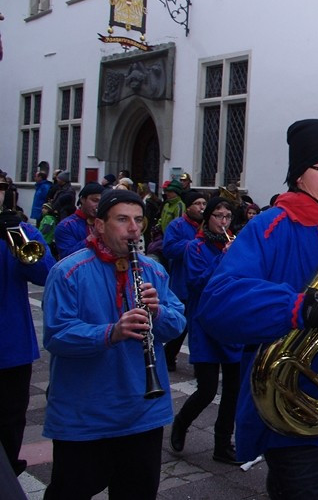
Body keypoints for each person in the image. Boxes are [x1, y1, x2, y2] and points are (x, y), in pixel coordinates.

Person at [197, 119, 318, 500]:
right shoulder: (270, 225)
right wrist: (302, 307)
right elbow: (218, 302)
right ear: (300, 176)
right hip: (291, 411)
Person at [41, 188, 186, 499]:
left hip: (142, 413)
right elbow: (57, 335)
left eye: (138, 220)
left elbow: (177, 323)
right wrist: (111, 333)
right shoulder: (67, 272)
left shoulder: (153, 269)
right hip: (85, 416)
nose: (133, 228)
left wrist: (158, 313)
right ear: (99, 226)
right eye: (122, 219)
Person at [170, 197, 242, 465]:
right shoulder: (195, 248)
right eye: (218, 216)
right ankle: (181, 422)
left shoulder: (235, 244)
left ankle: (223, 445)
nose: (223, 222)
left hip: (231, 322)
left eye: (227, 217)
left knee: (233, 389)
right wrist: (222, 260)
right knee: (207, 389)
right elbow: (197, 283)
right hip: (204, 323)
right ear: (207, 217)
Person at [0, 189, 55, 476]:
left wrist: (19, 241)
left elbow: (47, 274)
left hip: (11, 346)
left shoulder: (20, 230)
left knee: (11, 421)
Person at [162, 191, 206, 371]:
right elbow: (169, 249)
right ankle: (168, 357)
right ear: (188, 207)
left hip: (202, 283)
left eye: (204, 204)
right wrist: (194, 243)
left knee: (199, 326)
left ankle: (201, 365)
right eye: (197, 204)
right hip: (182, 282)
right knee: (181, 325)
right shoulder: (177, 225)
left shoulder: (208, 224)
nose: (202, 207)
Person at [54, 181, 103, 259]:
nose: (99, 205)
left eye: (102, 202)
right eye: (95, 200)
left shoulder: (105, 222)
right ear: (83, 199)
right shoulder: (66, 225)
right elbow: (67, 256)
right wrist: (93, 236)